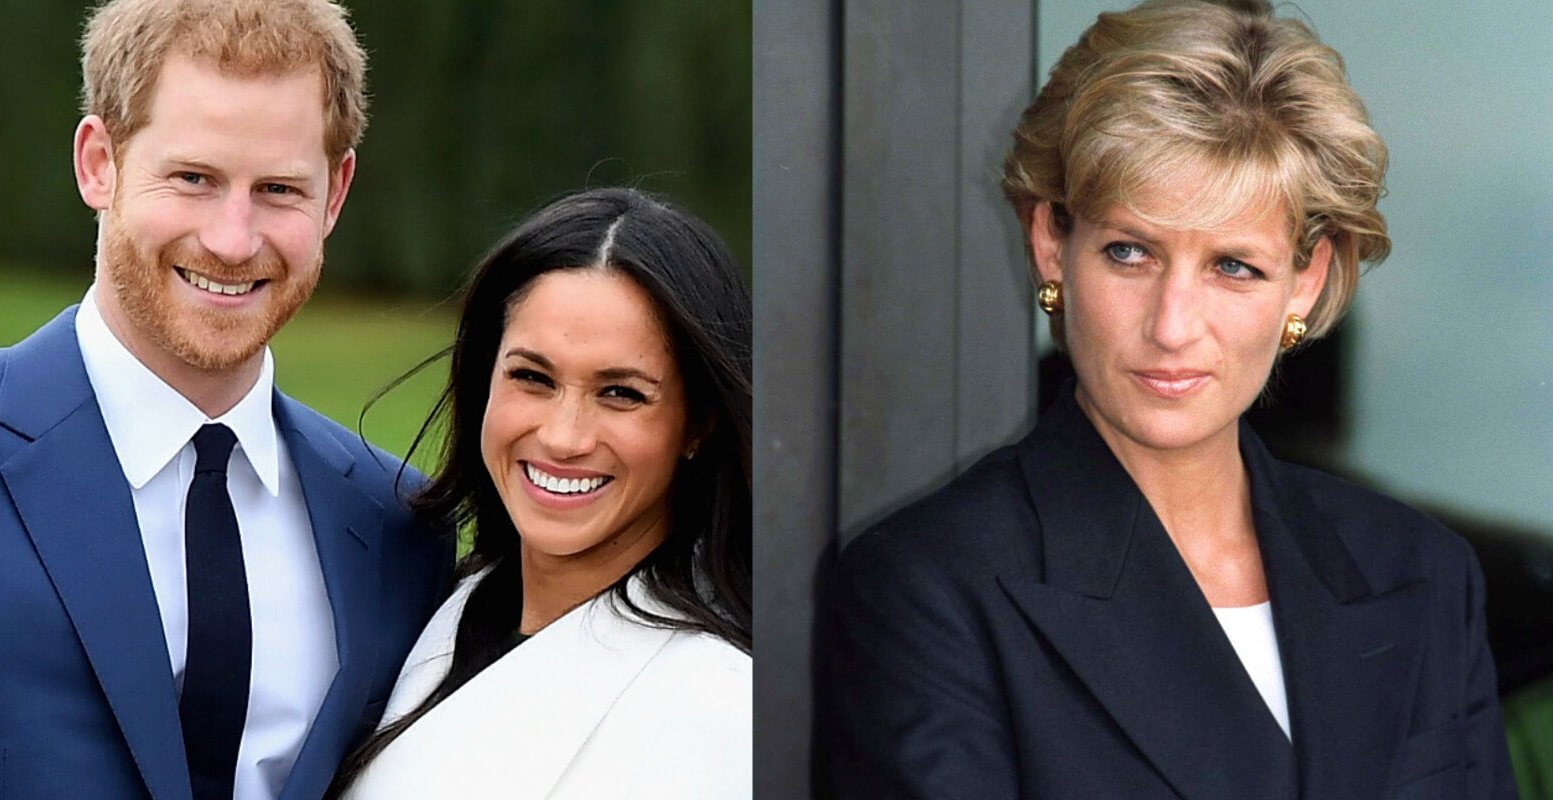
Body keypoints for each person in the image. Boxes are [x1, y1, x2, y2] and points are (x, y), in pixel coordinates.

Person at [818, 1, 1517, 798]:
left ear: (1308, 278)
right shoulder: (932, 589)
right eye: (1130, 252)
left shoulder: (1421, 574)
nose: (1173, 326)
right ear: (1052, 242)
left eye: (1232, 267)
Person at [0, 1, 450, 799]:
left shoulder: (399, 529)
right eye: (194, 178)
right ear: (98, 162)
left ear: (336, 193)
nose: (231, 239)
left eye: (280, 189)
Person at [331, 188, 752, 798]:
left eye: (621, 393)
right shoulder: (442, 606)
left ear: (697, 424)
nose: (563, 436)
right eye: (532, 377)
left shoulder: (717, 708)